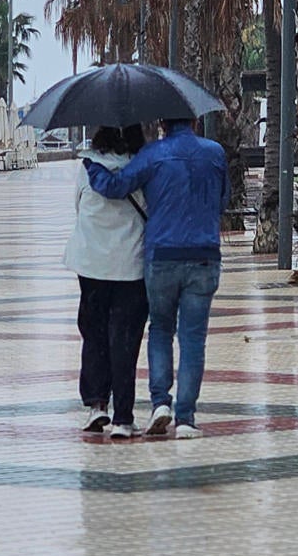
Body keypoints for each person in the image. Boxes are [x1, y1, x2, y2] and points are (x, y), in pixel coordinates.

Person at [83, 116, 226, 439]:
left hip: (161, 256)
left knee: (161, 329)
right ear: (194, 119)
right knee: (193, 340)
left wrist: (92, 166)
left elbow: (116, 187)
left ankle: (161, 402)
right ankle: (186, 419)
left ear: (161, 121)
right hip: (204, 256)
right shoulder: (214, 153)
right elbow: (223, 201)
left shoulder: (153, 154)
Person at [63, 124, 148, 440]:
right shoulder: (142, 167)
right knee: (124, 340)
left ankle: (97, 405)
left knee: (94, 333)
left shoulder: (87, 168)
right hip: (130, 265)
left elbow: (77, 208)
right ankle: (123, 418)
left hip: (90, 264)